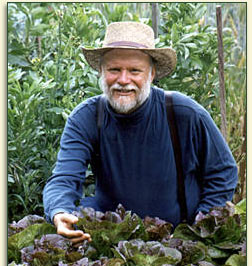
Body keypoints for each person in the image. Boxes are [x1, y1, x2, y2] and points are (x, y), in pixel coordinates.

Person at [43, 21, 238, 245]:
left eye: (135, 70)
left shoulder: (184, 113)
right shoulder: (86, 117)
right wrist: (59, 212)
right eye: (114, 70)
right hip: (113, 243)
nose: (123, 80)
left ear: (152, 74)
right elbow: (64, 178)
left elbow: (223, 172)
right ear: (102, 71)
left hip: (178, 244)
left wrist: (197, 229)